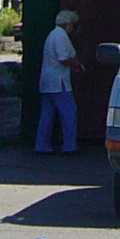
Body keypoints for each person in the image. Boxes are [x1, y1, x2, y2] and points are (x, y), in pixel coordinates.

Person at [34, 9, 83, 153]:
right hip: (59, 81)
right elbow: (63, 58)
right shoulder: (61, 37)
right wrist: (76, 63)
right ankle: (69, 145)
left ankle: (41, 145)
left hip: (47, 81)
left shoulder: (52, 35)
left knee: (47, 114)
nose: (73, 28)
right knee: (69, 112)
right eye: (72, 25)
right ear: (67, 24)